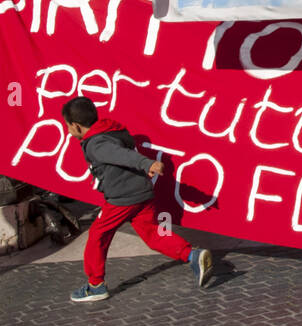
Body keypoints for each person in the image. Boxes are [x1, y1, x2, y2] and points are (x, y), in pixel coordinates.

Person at [61, 95, 214, 303]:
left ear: (77, 126)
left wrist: (146, 163)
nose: (68, 131)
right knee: (152, 235)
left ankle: (95, 285)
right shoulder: (110, 130)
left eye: (68, 126)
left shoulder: (97, 144)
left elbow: (121, 155)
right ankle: (192, 255)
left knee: (98, 235)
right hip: (142, 193)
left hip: (122, 198)